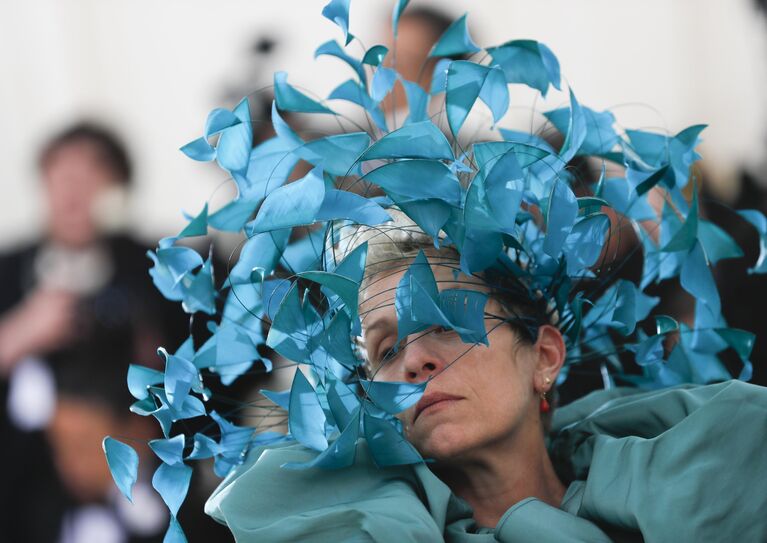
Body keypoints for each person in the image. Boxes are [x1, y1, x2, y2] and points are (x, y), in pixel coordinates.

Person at [104, 1, 767, 541]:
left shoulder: (700, 487)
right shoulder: (344, 173)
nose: (416, 358)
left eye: (447, 321)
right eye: (387, 348)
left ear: (544, 353)